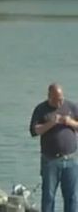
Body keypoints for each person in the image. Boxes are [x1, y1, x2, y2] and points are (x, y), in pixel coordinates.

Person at [30, 83, 78, 212]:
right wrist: (52, 123)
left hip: (70, 160)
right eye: (57, 100)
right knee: (49, 196)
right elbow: (35, 131)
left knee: (72, 197)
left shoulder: (71, 107)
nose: (60, 103)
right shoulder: (41, 109)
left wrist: (70, 122)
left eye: (61, 99)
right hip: (50, 160)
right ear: (50, 97)